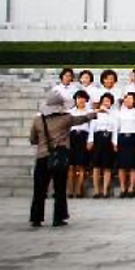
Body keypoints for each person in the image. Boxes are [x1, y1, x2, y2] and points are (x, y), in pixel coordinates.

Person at [29, 90, 97, 227]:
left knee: (39, 189)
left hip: (42, 156)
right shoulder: (66, 118)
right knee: (60, 188)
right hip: (60, 156)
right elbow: (81, 119)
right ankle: (58, 217)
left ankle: (36, 218)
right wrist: (94, 114)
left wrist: (42, 143)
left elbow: (33, 139)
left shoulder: (38, 120)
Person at [115, 92, 135, 198]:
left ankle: (131, 187)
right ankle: (123, 188)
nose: (128, 100)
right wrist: (115, 142)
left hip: (133, 138)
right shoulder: (119, 113)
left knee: (132, 165)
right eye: (126, 98)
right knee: (121, 166)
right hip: (122, 138)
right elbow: (116, 128)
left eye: (130, 99)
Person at [89, 92, 117, 198]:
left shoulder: (114, 114)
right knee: (96, 166)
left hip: (108, 138)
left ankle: (105, 190)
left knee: (107, 166)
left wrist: (114, 142)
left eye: (108, 101)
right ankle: (96, 190)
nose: (106, 103)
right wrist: (90, 140)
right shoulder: (96, 113)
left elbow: (115, 129)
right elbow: (92, 128)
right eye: (104, 101)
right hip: (97, 138)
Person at [66, 88, 93, 198]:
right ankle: (70, 190)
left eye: (82, 98)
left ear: (86, 100)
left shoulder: (89, 112)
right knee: (71, 166)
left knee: (81, 166)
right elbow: (66, 127)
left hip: (83, 137)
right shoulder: (70, 112)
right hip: (72, 138)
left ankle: (78, 190)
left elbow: (92, 128)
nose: (80, 100)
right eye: (78, 98)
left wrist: (90, 141)